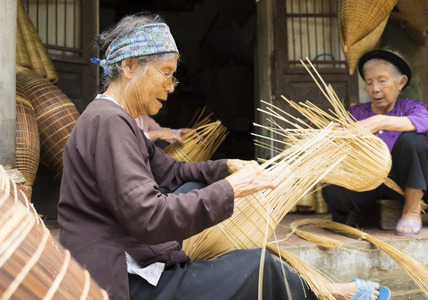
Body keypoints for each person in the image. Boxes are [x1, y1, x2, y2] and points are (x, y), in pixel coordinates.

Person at [58, 12, 390, 300]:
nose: (171, 85)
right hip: (123, 280)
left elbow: (170, 172)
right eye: (164, 72)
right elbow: (147, 218)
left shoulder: (117, 119)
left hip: (133, 255)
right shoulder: (108, 122)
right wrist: (231, 190)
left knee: (193, 192)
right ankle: (324, 294)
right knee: (258, 268)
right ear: (129, 66)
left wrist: (225, 167)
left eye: (173, 75)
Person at [323, 49, 428, 235]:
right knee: (331, 189)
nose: (374, 88)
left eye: (382, 81)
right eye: (369, 83)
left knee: (415, 141)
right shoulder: (356, 114)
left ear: (400, 82)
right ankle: (354, 215)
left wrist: (380, 121)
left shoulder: (410, 106)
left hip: (406, 180)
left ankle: (411, 210)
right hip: (370, 182)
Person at [378, 7, 428, 101]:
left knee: (411, 113)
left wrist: (403, 22)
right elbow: (377, 43)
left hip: (409, 77)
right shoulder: (386, 8)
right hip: (385, 75)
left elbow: (426, 40)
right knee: (385, 114)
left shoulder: (425, 11)